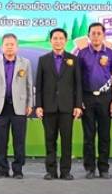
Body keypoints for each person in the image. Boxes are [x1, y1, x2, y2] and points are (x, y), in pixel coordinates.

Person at [35, 28, 83, 180]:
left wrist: (78, 105)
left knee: (66, 141)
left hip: (67, 107)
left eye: (61, 38)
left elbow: (78, 85)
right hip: (48, 107)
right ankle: (51, 171)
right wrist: (39, 106)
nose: (58, 41)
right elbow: (39, 85)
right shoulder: (43, 60)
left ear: (66, 41)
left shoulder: (73, 59)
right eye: (55, 38)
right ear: (51, 41)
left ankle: (65, 171)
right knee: (50, 140)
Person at [0, 33, 34, 179]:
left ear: (17, 47)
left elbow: (29, 85)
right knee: (1, 141)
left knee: (19, 141)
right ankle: (2, 169)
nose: (9, 47)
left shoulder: (25, 63)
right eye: (7, 44)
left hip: (19, 107)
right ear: (2, 47)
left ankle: (18, 170)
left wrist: (30, 104)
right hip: (0, 107)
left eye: (12, 44)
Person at [77, 22, 112, 179]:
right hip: (87, 97)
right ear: (88, 36)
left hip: (105, 97)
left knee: (104, 135)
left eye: (99, 33)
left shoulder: (111, 54)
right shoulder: (82, 54)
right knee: (88, 136)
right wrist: (79, 100)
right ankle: (89, 168)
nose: (96, 36)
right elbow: (77, 79)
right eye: (93, 33)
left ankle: (103, 168)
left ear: (104, 35)